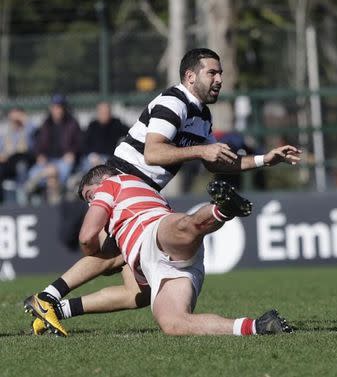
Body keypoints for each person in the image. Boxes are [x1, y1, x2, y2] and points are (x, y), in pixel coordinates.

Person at [24, 48, 302, 336]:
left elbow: (215, 161)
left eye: (221, 73)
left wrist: (264, 160)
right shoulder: (174, 102)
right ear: (190, 76)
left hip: (143, 194)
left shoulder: (202, 115)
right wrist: (202, 149)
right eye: (212, 72)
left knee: (139, 293)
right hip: (125, 182)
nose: (220, 79)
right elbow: (154, 153)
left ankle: (56, 308)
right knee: (113, 254)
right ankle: (47, 298)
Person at [73, 164, 291, 336]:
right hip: (159, 265)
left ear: (102, 180)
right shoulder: (137, 188)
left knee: (186, 227)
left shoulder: (111, 184)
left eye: (89, 195)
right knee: (173, 323)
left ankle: (222, 209)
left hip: (151, 232)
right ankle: (259, 326)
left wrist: (95, 253)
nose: (91, 202)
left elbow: (86, 237)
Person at [24, 94, 81, 204]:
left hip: (63, 160)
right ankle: (52, 204)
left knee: (56, 174)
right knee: (34, 173)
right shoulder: (46, 123)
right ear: (51, 108)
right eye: (55, 107)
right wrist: (39, 155)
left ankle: (42, 178)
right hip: (47, 161)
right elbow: (38, 144)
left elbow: (80, 144)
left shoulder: (72, 123)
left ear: (64, 108)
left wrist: (72, 153)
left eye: (60, 107)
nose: (57, 110)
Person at [0, 107, 36, 203]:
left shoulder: (27, 131)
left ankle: (22, 200)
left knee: (21, 166)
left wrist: (21, 117)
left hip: (24, 161)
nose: (13, 121)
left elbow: (32, 127)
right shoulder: (6, 134)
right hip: (8, 163)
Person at [80, 102, 129, 171]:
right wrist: (92, 156)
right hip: (92, 157)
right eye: (102, 113)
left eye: (107, 112)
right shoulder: (92, 125)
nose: (105, 115)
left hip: (109, 157)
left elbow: (129, 133)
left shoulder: (116, 124)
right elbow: (84, 144)